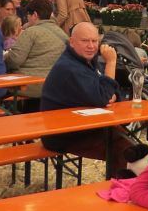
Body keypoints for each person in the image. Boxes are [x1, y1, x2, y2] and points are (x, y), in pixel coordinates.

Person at [40, 22, 135, 177]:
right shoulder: (69, 67)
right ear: (72, 42)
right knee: (126, 150)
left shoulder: (86, 61)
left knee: (128, 143)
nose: (91, 46)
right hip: (63, 135)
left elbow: (111, 91)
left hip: (84, 125)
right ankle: (118, 189)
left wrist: (112, 95)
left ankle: (121, 186)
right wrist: (111, 63)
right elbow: (103, 96)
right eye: (85, 41)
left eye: (94, 41)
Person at [4, 0, 68, 106]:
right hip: (56, 84)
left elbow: (15, 60)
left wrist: (5, 58)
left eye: (28, 16)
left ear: (35, 15)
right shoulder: (62, 33)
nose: (27, 20)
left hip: (31, 86)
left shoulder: (31, 32)